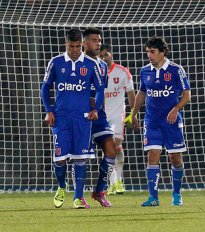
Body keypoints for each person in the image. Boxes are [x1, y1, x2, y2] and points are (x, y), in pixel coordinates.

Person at [41, 28, 104, 209]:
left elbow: (99, 90)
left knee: (80, 158)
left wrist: (96, 108)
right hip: (61, 119)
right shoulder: (56, 62)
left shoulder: (91, 64)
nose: (75, 50)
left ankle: (78, 197)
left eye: (77, 46)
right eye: (71, 46)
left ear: (82, 45)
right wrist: (49, 110)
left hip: (82, 119)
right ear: (65, 44)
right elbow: (45, 87)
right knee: (60, 159)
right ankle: (62, 186)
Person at [129, 37, 191, 207]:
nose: (149, 55)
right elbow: (142, 93)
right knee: (153, 155)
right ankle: (153, 197)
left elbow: (186, 94)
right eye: (147, 52)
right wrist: (133, 114)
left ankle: (177, 193)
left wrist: (176, 108)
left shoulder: (176, 70)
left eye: (152, 52)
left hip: (171, 122)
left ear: (162, 52)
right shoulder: (144, 71)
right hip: (152, 121)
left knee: (175, 158)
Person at [82, 28, 116, 207]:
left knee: (111, 150)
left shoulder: (102, 66)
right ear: (84, 43)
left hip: (99, 116)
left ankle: (99, 191)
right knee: (79, 157)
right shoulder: (78, 63)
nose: (98, 43)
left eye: (99, 40)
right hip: (80, 116)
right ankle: (76, 194)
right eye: (94, 40)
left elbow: (101, 91)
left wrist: (97, 104)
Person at [98, 44, 135, 195]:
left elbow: (131, 93)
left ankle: (118, 180)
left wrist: (133, 114)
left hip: (118, 115)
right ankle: (112, 182)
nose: (104, 58)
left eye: (106, 54)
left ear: (111, 54)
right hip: (102, 116)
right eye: (101, 56)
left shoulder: (122, 72)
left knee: (116, 144)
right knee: (108, 147)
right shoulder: (95, 72)